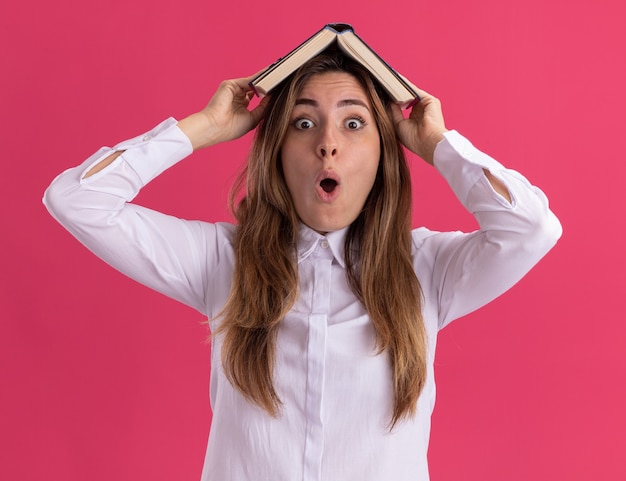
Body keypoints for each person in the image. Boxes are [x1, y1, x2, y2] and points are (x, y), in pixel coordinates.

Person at [44, 48, 562, 481]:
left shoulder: (427, 269)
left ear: (383, 154)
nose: (327, 143)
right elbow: (77, 201)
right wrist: (204, 127)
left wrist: (437, 145)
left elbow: (531, 229)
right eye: (304, 122)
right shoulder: (222, 261)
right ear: (277, 152)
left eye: (354, 123)